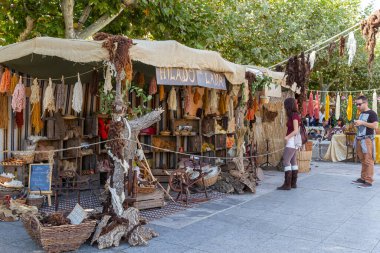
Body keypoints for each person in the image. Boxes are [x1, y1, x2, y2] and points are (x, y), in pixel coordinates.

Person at [351, 95, 378, 188]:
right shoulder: (361, 113)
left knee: (368, 160)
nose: (357, 106)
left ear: (365, 103)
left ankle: (369, 180)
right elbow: (364, 125)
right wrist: (358, 125)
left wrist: (362, 123)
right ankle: (363, 178)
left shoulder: (372, 113)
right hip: (359, 138)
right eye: (356, 104)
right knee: (362, 159)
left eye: (359, 104)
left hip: (366, 140)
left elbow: (375, 126)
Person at [277, 97, 300, 190]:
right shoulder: (295, 115)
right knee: (293, 161)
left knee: (286, 161)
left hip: (292, 141)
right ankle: (293, 183)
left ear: (288, 106)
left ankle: (287, 184)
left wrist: (287, 137)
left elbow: (295, 130)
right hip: (294, 141)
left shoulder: (294, 116)